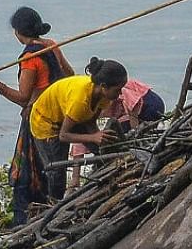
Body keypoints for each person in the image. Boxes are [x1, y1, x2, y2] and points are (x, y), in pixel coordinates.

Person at [0, 6, 74, 226]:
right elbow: (69, 75)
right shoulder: (51, 46)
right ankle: (51, 210)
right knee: (54, 165)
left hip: (38, 118)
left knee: (27, 174)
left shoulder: (31, 58)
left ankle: (25, 223)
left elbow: (23, 98)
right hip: (60, 114)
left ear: (18, 32)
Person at [29, 57, 127, 200]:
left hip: (67, 116)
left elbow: (90, 121)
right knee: (57, 170)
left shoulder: (105, 97)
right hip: (46, 122)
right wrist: (93, 137)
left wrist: (96, 137)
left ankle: (104, 183)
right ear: (104, 86)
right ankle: (54, 203)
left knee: (101, 149)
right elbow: (63, 135)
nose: (121, 94)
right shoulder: (80, 100)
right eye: (118, 90)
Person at [67, 77, 165, 187]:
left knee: (127, 139)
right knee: (115, 138)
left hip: (148, 104)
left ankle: (138, 158)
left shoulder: (108, 90)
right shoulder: (83, 110)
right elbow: (79, 143)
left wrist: (135, 133)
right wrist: (75, 178)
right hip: (131, 112)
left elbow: (132, 102)